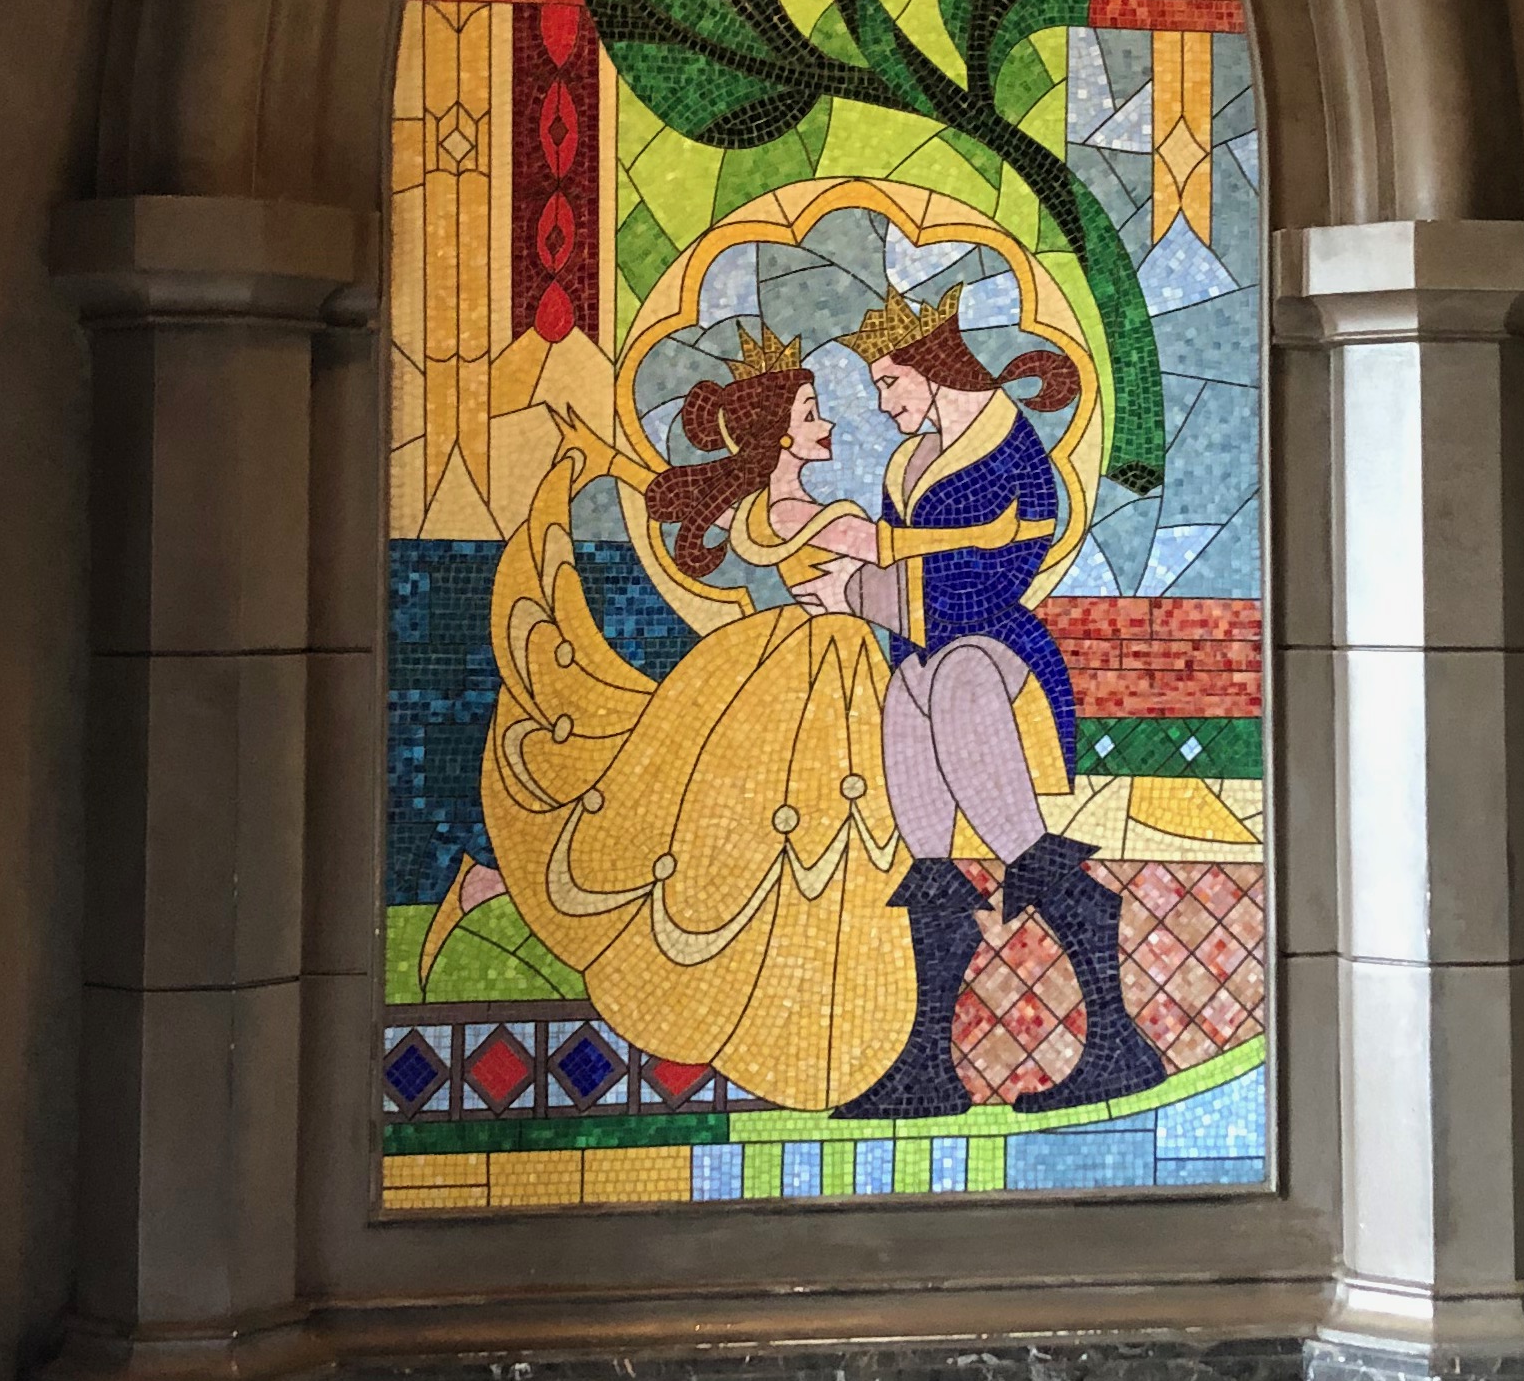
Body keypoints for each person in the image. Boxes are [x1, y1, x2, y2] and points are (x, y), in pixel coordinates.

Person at [468, 333, 918, 1113]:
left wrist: (607, 461)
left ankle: (494, 884)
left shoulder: (756, 511)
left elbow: (670, 489)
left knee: (720, 823)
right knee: (808, 833)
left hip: (777, 660)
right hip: (822, 669)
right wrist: (999, 534)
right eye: (812, 413)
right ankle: (800, 1008)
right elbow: (908, 553)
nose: (828, 425)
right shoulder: (827, 517)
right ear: (780, 432)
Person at [802, 278, 1167, 1124]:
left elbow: (993, 580)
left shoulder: (1013, 454)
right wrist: (865, 581)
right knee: (916, 748)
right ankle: (928, 1067)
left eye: (890, 383)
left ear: (932, 368)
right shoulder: (908, 463)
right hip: (918, 655)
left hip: (1000, 656)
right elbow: (908, 568)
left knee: (963, 684)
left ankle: (1116, 1042)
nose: (884, 404)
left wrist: (863, 591)